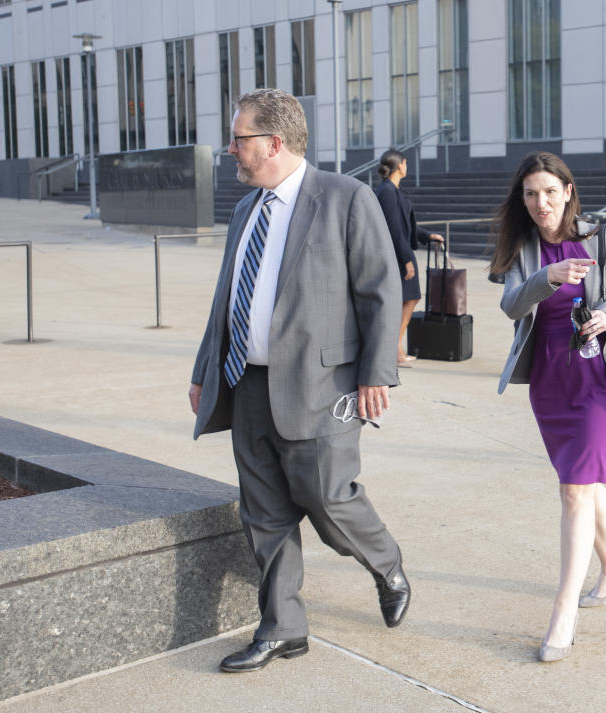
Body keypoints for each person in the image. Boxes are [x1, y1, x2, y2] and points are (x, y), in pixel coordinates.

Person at [188, 88, 411, 673]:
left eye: (239, 139)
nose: (231, 150)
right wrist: (205, 371)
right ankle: (283, 626)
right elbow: (226, 298)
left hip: (323, 386)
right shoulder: (245, 210)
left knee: (328, 497)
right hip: (248, 383)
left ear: (274, 143)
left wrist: (376, 374)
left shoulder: (344, 198)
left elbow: (381, 291)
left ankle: (385, 561)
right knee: (263, 511)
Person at [490, 151, 606, 663]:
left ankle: (564, 613)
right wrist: (551, 275)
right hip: (550, 381)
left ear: (567, 190)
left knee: (574, 490)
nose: (541, 203)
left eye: (549, 192)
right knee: (587, 482)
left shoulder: (605, 237)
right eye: (531, 194)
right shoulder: (523, 246)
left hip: (599, 375)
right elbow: (511, 305)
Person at [374, 149, 444, 366]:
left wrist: (427, 235)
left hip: (401, 251)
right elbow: (394, 229)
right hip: (397, 255)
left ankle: (396, 348)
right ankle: (394, 349)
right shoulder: (387, 191)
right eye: (405, 163)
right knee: (406, 300)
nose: (407, 166)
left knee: (407, 299)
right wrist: (406, 259)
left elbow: (405, 225)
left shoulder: (393, 190)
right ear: (400, 165)